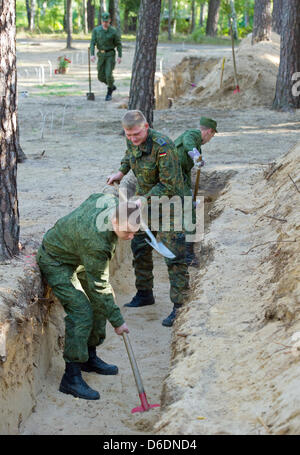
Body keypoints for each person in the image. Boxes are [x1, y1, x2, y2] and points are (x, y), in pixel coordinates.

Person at [36, 193, 141, 400]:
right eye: (127, 232)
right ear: (114, 220)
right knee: (82, 311)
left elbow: (96, 196)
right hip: (56, 259)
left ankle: (88, 357)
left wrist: (134, 206)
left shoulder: (112, 202)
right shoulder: (97, 243)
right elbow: (99, 287)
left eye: (134, 233)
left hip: (78, 253)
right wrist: (118, 322)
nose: (130, 237)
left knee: (99, 305)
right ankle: (71, 377)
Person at [107, 110, 189, 328]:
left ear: (146, 126)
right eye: (128, 135)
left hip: (170, 205)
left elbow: (168, 185)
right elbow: (129, 156)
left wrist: (142, 199)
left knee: (173, 255)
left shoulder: (164, 147)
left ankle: (180, 306)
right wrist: (121, 172)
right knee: (139, 246)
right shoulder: (132, 141)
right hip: (146, 203)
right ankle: (145, 293)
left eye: (136, 134)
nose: (133, 139)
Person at [174, 116, 217, 267]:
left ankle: (182, 249)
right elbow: (187, 143)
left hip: (179, 177)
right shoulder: (193, 134)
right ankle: (187, 255)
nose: (210, 139)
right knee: (188, 213)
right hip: (171, 176)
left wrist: (190, 193)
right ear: (209, 132)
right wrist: (196, 156)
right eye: (212, 136)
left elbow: (185, 171)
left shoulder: (198, 145)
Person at [90, 12, 122, 101]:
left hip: (110, 55)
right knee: (100, 76)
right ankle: (111, 86)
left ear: (110, 21)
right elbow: (92, 43)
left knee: (108, 74)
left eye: (107, 22)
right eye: (104, 22)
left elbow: (118, 44)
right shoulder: (96, 30)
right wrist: (92, 54)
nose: (105, 23)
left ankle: (109, 93)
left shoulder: (113, 31)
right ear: (101, 21)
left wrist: (120, 56)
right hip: (101, 55)